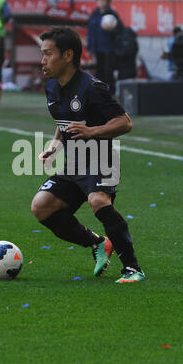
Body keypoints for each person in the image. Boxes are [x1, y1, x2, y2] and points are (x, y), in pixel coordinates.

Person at [31, 27, 145, 284]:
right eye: (43, 54)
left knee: (98, 201)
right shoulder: (52, 87)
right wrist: (56, 144)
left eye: (48, 54)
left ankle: (132, 268)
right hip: (74, 163)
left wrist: (93, 131)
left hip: (101, 159)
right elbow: (65, 123)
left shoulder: (92, 88)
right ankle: (98, 243)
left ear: (68, 55)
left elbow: (125, 123)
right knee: (41, 207)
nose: (43, 61)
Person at [87, 0, 123, 95]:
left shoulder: (112, 14)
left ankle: (111, 92)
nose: (101, 2)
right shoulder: (94, 14)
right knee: (99, 71)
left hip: (109, 47)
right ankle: (100, 92)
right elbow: (91, 31)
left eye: (103, 0)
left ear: (108, 2)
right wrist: (90, 47)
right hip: (97, 47)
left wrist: (111, 29)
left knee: (108, 71)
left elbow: (120, 30)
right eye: (99, 0)